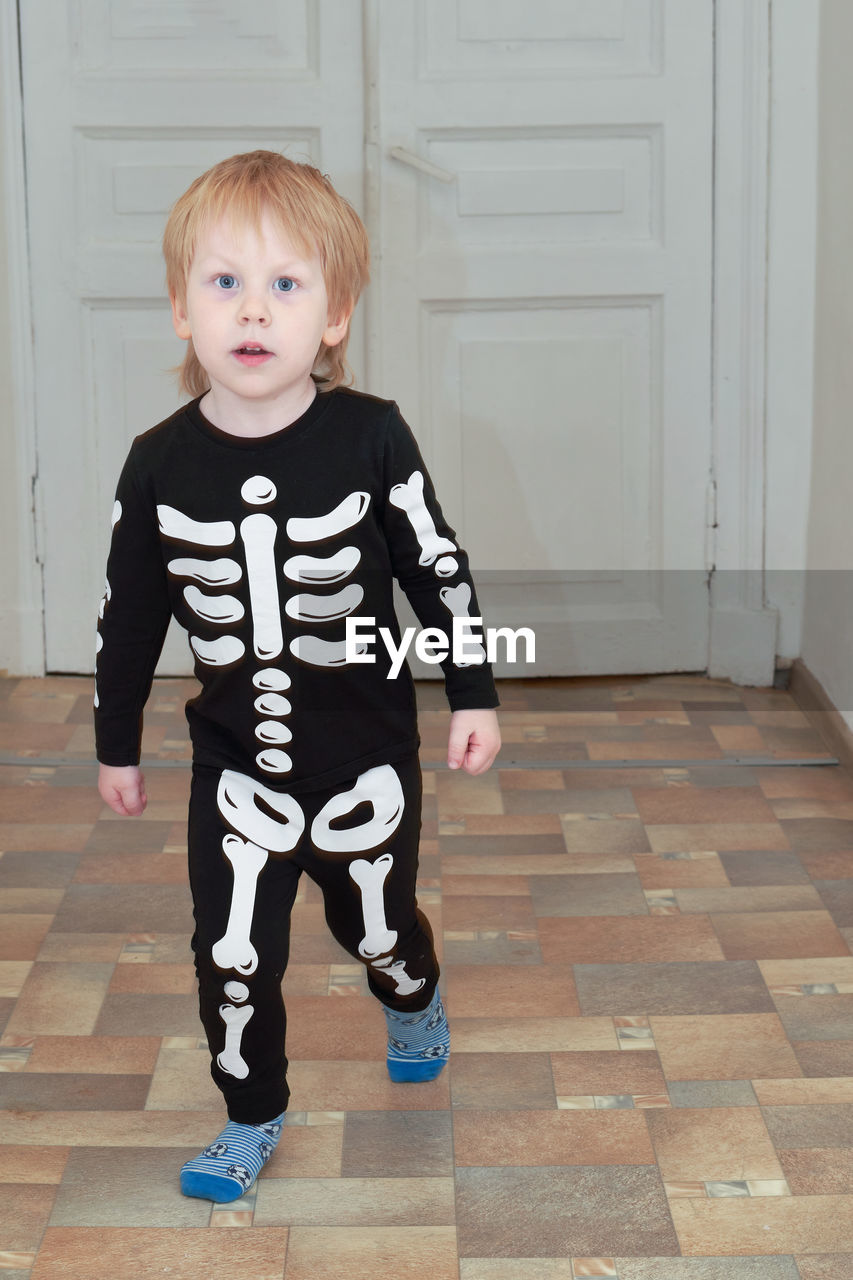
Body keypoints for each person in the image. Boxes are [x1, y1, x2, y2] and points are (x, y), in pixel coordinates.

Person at [93, 150, 501, 1204]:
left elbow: (435, 565)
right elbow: (128, 616)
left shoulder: (370, 436)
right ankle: (249, 1111)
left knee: (374, 929)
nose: (253, 309)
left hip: (363, 761)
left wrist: (472, 692)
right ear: (183, 309)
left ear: (334, 315)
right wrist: (116, 740)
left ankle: (412, 991)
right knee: (230, 955)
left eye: (286, 283)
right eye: (224, 281)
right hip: (236, 772)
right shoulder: (156, 462)